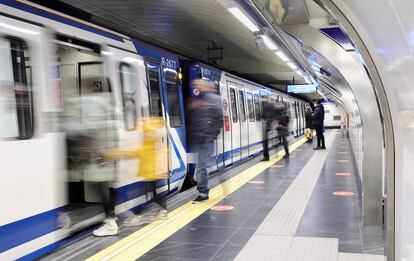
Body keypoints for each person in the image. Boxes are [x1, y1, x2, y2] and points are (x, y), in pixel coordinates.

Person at [186, 79, 223, 204]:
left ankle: (203, 193)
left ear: (205, 86)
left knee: (201, 166)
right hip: (198, 139)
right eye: (195, 85)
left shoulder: (213, 100)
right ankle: (206, 188)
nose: (196, 86)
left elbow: (218, 121)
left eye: (198, 85)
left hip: (206, 139)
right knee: (201, 166)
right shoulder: (197, 99)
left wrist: (211, 136)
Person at [261, 96, 276, 161]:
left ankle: (266, 156)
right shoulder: (271, 105)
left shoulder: (267, 106)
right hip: (269, 126)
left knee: (265, 142)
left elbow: (263, 116)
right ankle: (266, 156)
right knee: (266, 142)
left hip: (268, 126)